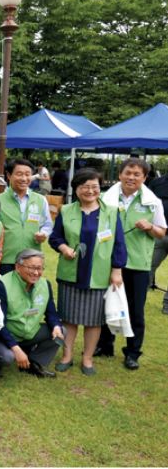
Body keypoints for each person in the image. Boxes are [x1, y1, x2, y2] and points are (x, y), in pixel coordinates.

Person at [49, 168, 126, 376]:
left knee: (93, 320)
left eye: (94, 186)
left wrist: (116, 270)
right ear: (76, 189)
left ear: (100, 188)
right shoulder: (66, 211)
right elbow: (55, 238)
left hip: (98, 274)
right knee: (69, 318)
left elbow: (119, 243)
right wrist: (63, 248)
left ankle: (88, 358)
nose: (90, 191)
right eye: (85, 186)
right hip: (71, 273)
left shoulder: (111, 212)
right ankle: (67, 355)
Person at [96, 158, 166, 369]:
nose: (131, 177)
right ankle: (105, 345)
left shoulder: (153, 202)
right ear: (120, 174)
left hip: (137, 264)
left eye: (137, 174)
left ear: (144, 178)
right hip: (107, 262)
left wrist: (149, 228)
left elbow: (162, 233)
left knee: (135, 310)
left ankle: (132, 352)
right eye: (128, 173)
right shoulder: (104, 198)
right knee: (105, 304)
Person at [0, 249, 63, 377]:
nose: (36, 273)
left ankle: (34, 363)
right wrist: (15, 348)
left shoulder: (45, 284)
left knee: (61, 331)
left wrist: (56, 327)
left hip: (30, 332)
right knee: (7, 357)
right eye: (32, 268)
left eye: (40, 268)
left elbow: (51, 312)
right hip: (6, 335)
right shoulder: (2, 285)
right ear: (18, 267)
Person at [0, 159, 53, 275]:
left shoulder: (40, 200)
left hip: (32, 258)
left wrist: (44, 234)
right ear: (8, 175)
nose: (24, 178)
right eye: (19, 174)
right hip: (6, 259)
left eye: (28, 174)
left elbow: (47, 224)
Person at [148, 171, 168, 314]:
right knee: (146, 268)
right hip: (158, 234)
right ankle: (135, 301)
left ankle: (167, 305)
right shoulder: (157, 183)